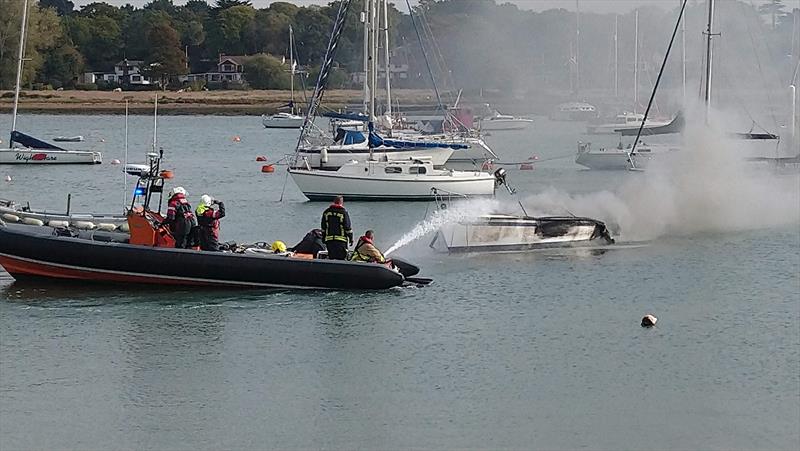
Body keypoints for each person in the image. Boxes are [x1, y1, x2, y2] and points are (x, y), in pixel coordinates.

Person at [321, 195, 352, 260]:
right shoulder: (343, 212)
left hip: (329, 240)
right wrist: (351, 238)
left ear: (334, 201)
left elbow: (323, 227)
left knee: (331, 258)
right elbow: (347, 227)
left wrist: (323, 238)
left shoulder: (326, 212)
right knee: (341, 259)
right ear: (341, 202)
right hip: (341, 241)